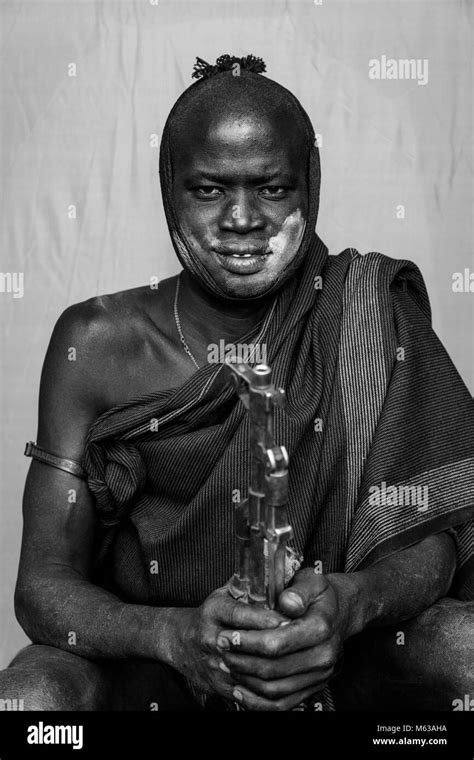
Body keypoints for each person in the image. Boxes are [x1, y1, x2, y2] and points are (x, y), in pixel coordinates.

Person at [2, 55, 473, 712]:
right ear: (170, 191)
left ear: (310, 188)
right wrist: (172, 635)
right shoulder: (97, 342)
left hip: (337, 655)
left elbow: (439, 537)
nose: (243, 219)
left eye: (273, 189)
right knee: (28, 701)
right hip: (152, 666)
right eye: (208, 190)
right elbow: (41, 584)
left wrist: (349, 603)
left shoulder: (366, 312)